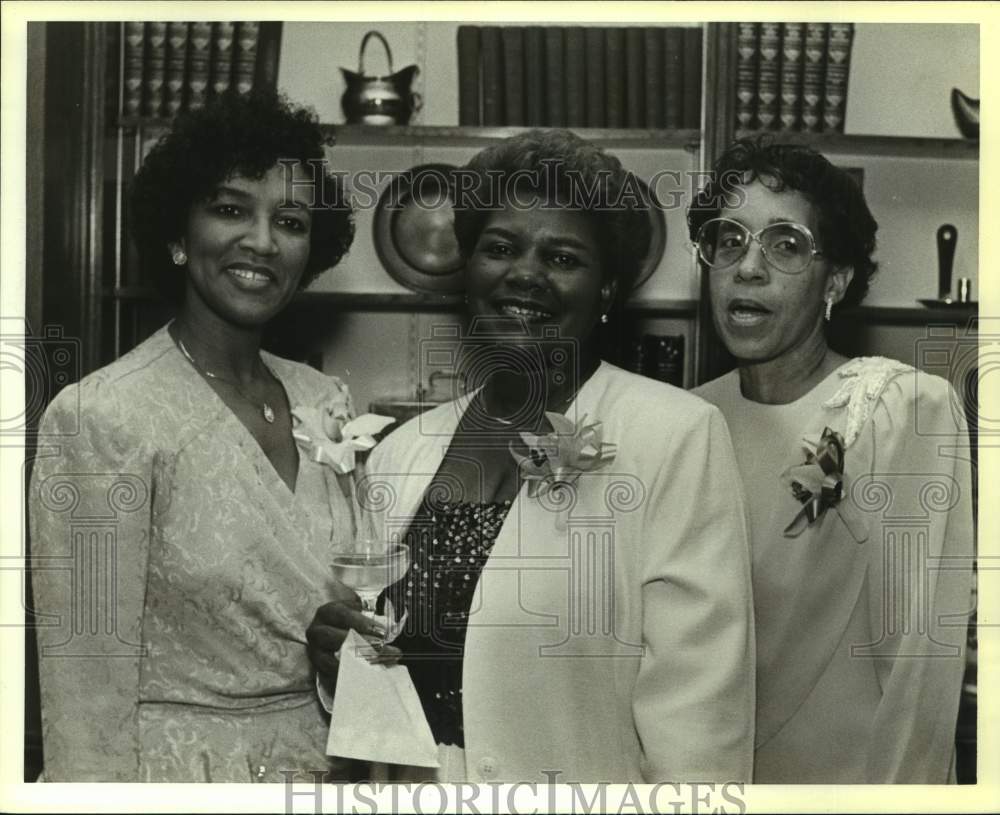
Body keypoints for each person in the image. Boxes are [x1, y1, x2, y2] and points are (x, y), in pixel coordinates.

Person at [306, 129, 756, 783]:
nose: (525, 273)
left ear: (606, 291)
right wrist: (337, 663)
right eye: (499, 247)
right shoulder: (403, 452)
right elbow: (387, 684)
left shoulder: (675, 437)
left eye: (564, 256)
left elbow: (701, 725)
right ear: (469, 270)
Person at [29, 90, 359, 781]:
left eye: (290, 220)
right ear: (178, 235)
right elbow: (84, 691)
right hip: (182, 777)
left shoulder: (325, 399)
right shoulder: (101, 417)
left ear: (310, 252)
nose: (262, 241)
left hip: (329, 768)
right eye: (231, 208)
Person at [690, 138, 974, 783]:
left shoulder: (901, 409)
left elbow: (918, 667)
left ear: (837, 281)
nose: (748, 268)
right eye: (728, 240)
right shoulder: (684, 421)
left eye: (785, 245)